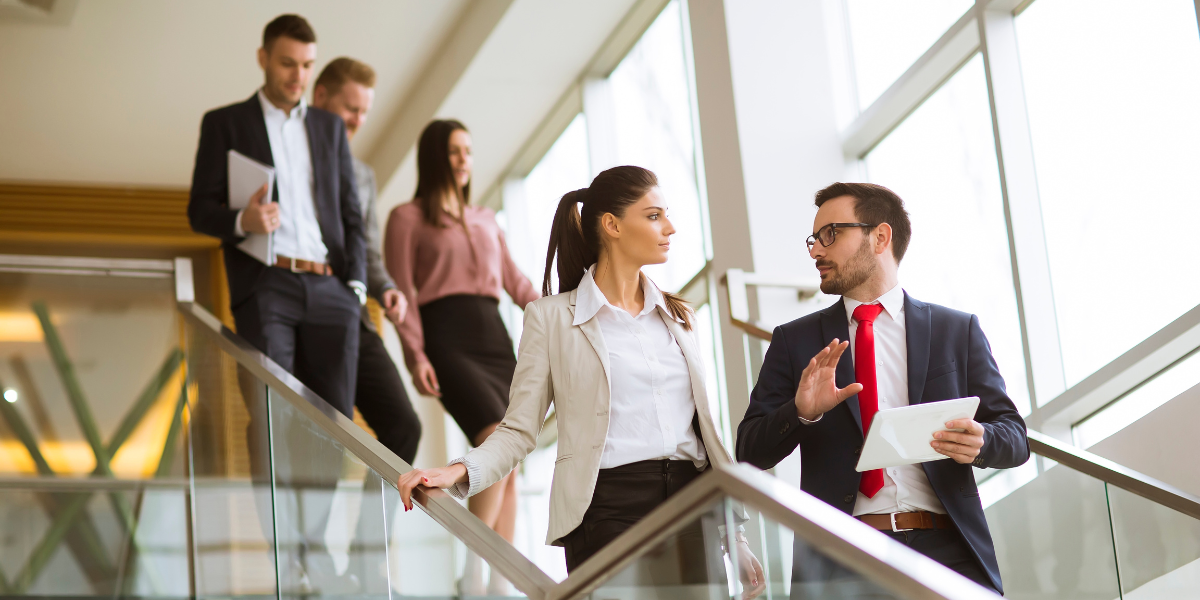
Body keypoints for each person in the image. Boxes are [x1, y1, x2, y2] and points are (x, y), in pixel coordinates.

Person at [394, 166, 765, 596]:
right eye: (653, 215)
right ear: (612, 225)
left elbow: (704, 433)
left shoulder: (681, 318)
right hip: (607, 509)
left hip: (692, 502)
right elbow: (518, 430)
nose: (670, 227)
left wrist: (733, 536)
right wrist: (458, 471)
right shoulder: (551, 318)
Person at [735, 182, 1029, 597]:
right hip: (842, 563)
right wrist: (801, 413)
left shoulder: (954, 330)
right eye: (813, 240)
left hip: (948, 554)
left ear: (880, 237)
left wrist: (982, 441)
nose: (816, 251)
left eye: (830, 235)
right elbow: (749, 450)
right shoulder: (795, 341)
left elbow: (1015, 435)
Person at [187, 15, 365, 594]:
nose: (298, 75)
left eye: (307, 65)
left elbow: (350, 211)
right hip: (267, 285)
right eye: (288, 63)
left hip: (331, 288)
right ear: (263, 58)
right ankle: (285, 558)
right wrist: (242, 219)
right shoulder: (226, 123)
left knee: (333, 426)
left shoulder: (328, 127)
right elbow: (199, 209)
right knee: (271, 420)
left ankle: (312, 549)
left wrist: (355, 285)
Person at [383, 119, 539, 595]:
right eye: (453, 150)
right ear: (434, 157)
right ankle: (472, 570)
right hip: (447, 338)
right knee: (493, 437)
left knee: (509, 461)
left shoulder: (486, 217)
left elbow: (516, 282)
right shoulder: (407, 218)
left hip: (495, 337)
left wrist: (564, 315)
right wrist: (416, 355)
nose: (464, 159)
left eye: (468, 150)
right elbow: (402, 292)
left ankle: (498, 582)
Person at [312, 57, 421, 463]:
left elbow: (368, 252)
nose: (358, 120)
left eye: (364, 112)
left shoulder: (362, 176)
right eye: (351, 108)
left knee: (404, 425)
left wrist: (387, 288)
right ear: (320, 96)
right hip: (307, 311)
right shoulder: (290, 162)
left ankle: (372, 531)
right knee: (326, 437)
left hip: (354, 312)